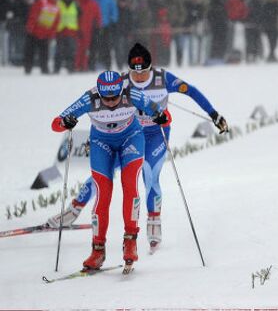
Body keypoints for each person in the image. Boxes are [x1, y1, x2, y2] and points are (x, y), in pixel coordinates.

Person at [47, 43, 229, 253]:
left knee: (150, 174)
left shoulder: (162, 78)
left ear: (151, 68)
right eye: (135, 73)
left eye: (144, 73)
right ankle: (74, 209)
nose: (140, 78)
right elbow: (100, 109)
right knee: (101, 175)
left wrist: (213, 114)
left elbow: (192, 92)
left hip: (155, 135)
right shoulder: (121, 83)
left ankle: (153, 222)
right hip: (128, 134)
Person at [50, 70, 164, 270]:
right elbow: (56, 124)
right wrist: (64, 122)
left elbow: (163, 114)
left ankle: (130, 241)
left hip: (132, 138)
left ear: (121, 90)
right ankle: (98, 250)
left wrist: (160, 115)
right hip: (101, 142)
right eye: (106, 98)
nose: (110, 102)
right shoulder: (89, 98)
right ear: (99, 93)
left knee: (130, 187)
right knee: (102, 194)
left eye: (114, 97)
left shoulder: (132, 94)